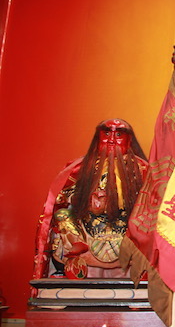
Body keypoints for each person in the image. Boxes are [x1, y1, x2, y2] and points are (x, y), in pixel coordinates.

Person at [33, 119, 148, 279]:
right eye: (106, 133)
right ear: (98, 138)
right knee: (61, 216)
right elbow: (60, 199)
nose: (112, 140)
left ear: (129, 140)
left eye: (118, 135)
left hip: (126, 231)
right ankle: (76, 257)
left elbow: (155, 202)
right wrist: (82, 199)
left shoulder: (143, 170)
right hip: (87, 231)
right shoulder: (79, 168)